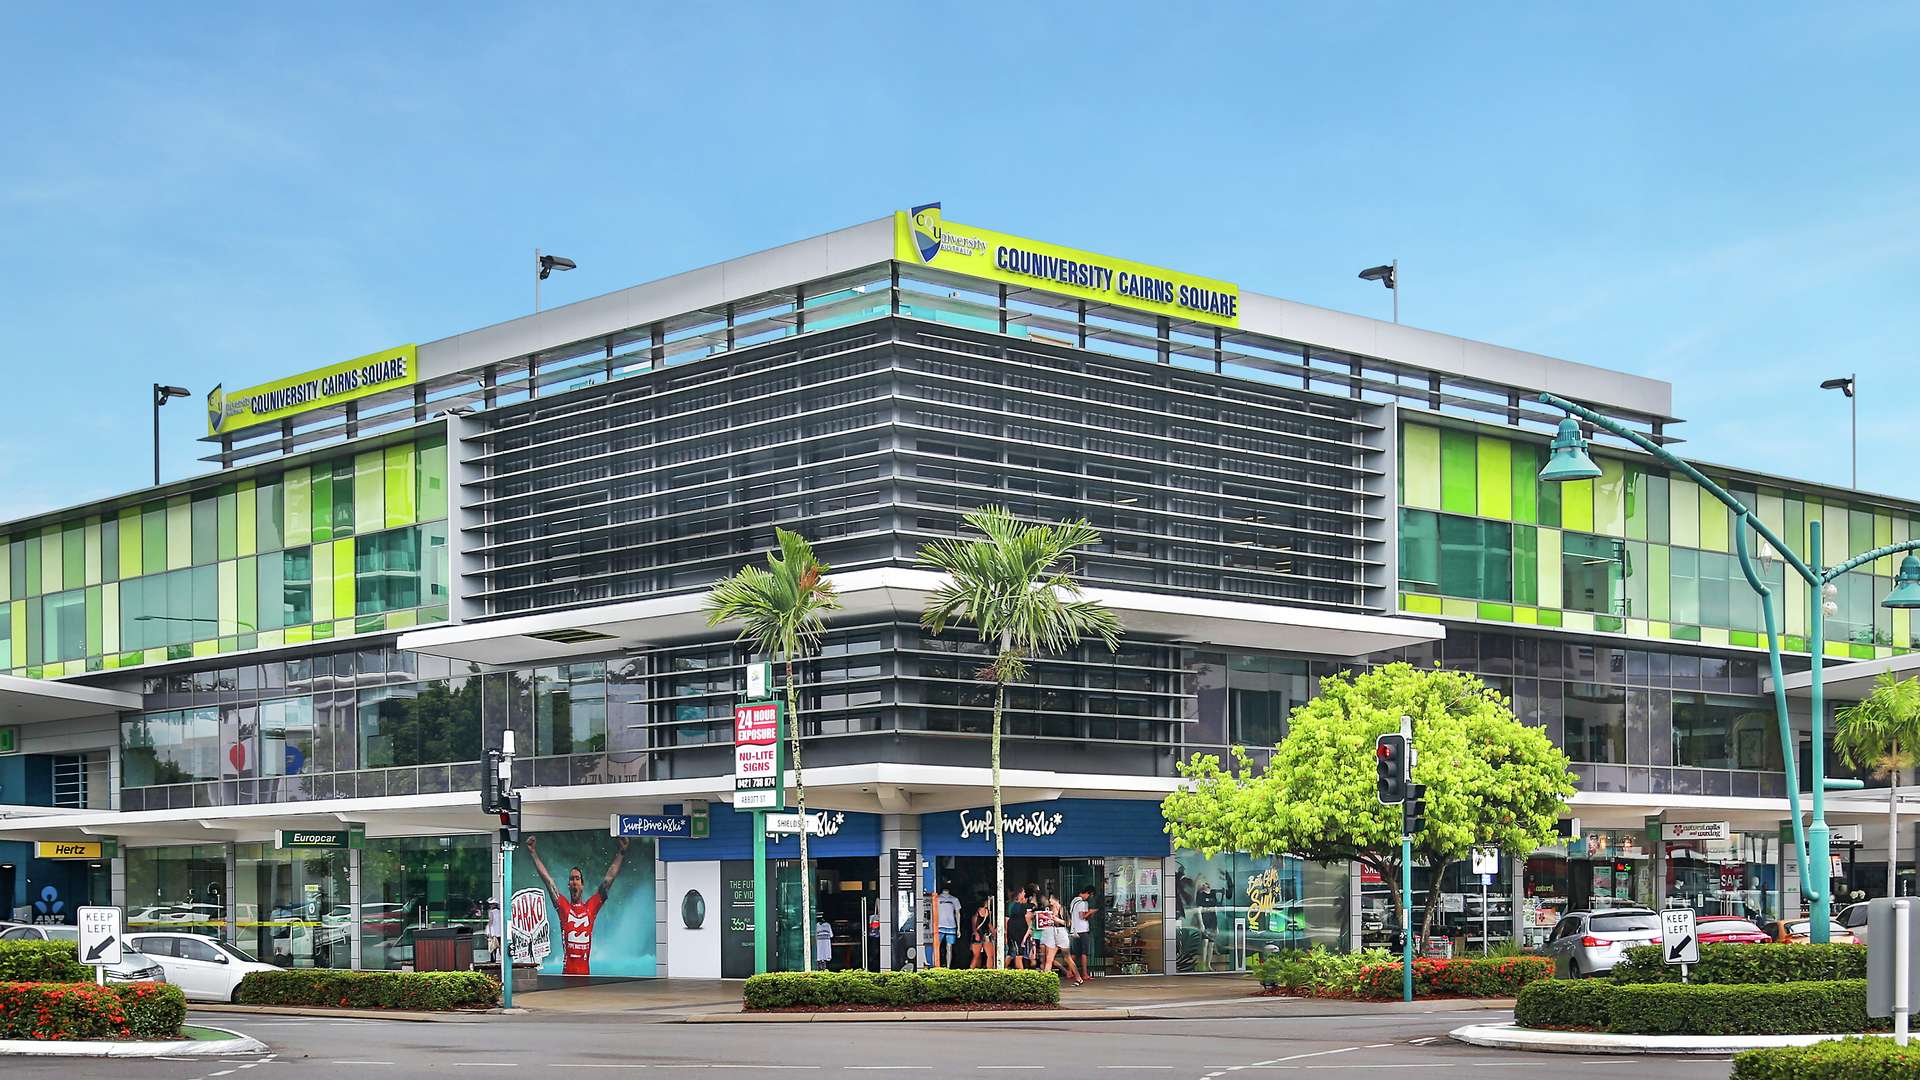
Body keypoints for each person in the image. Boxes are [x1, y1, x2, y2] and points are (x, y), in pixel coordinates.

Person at [526, 834, 630, 976]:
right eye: (571, 879)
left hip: (585, 976)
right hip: (567, 975)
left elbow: (608, 880)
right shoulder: (563, 907)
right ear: (568, 885)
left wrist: (622, 852)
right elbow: (549, 881)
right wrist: (533, 853)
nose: (574, 882)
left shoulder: (591, 908)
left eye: (577, 878)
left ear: (582, 884)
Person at [1067, 885, 1097, 984]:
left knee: (1075, 953)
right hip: (1083, 930)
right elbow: (1082, 916)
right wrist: (1091, 912)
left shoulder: (1074, 901)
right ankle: (1084, 974)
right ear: (1088, 893)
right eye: (1090, 895)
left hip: (1074, 930)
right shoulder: (1083, 903)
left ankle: (1069, 972)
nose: (1089, 897)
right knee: (1084, 953)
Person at [1034, 891, 1062, 977]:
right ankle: (1045, 977)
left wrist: (1055, 919)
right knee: (1044, 959)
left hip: (1054, 935)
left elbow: (1066, 923)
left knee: (1049, 959)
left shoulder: (1061, 910)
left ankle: (1046, 978)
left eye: (1051, 898)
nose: (1049, 900)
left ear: (1056, 900)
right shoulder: (1047, 909)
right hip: (1045, 934)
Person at [936, 882, 962, 968]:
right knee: (937, 946)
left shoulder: (954, 899)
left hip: (951, 926)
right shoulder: (937, 899)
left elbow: (958, 913)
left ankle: (948, 966)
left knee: (949, 947)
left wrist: (958, 928)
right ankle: (937, 966)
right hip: (939, 926)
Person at [1004, 887, 1030, 970]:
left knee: (1012, 953)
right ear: (1019, 894)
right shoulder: (1012, 905)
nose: (1024, 894)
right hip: (1014, 932)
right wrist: (1006, 932)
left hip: (1020, 932)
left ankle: (1001, 969)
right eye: (1023, 892)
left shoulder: (1023, 906)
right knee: (1018, 954)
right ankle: (1021, 975)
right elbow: (1006, 919)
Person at [969, 897, 995, 968]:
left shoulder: (988, 912)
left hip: (986, 934)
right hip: (978, 934)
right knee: (976, 956)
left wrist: (993, 932)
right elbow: (973, 924)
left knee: (990, 955)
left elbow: (989, 924)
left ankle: (989, 971)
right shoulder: (976, 912)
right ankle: (971, 971)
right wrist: (976, 933)